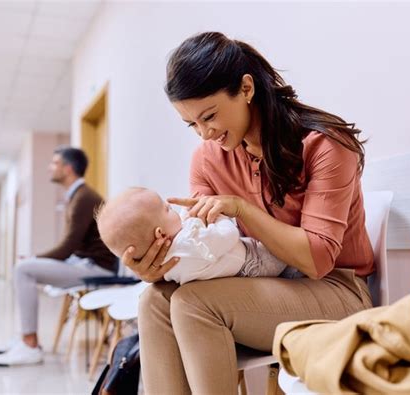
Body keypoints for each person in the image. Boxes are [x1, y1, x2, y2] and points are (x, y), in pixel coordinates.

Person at [124, 32, 375, 394]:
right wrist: (158, 266)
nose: (204, 134)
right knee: (153, 301)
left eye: (209, 116)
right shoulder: (208, 158)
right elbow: (203, 245)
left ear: (245, 89)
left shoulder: (324, 144)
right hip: (266, 283)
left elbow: (318, 260)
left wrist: (241, 208)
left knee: (195, 305)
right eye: (192, 124)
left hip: (338, 290)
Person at [0, 146, 117, 367]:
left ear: (67, 169)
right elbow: (70, 247)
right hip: (83, 264)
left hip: (96, 269)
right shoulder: (78, 195)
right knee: (26, 267)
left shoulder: (84, 197)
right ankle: (25, 338)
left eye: (54, 163)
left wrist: (33, 258)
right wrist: (35, 258)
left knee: (24, 269)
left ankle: (29, 345)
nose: (50, 167)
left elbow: (67, 246)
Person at [96, 187, 296, 285]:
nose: (175, 210)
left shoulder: (166, 262)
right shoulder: (190, 243)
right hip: (258, 264)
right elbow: (229, 236)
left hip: (235, 276)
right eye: (168, 210)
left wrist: (190, 217)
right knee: (285, 255)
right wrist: (218, 216)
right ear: (160, 233)